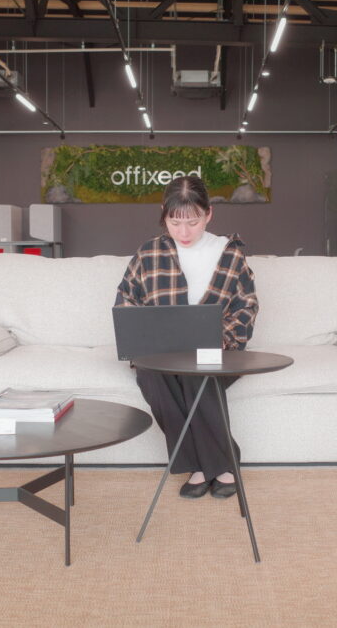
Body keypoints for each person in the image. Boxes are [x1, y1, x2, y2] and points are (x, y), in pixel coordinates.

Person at [115, 176, 258, 499]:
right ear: (163, 214)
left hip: (217, 352)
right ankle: (206, 464)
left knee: (197, 372)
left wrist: (223, 339)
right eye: (174, 222)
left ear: (209, 214)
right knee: (151, 377)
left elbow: (247, 306)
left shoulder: (229, 254)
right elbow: (126, 301)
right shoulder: (148, 253)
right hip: (161, 354)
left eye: (192, 222)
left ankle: (214, 466)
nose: (183, 232)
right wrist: (139, 341)